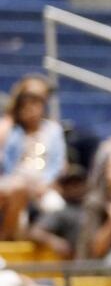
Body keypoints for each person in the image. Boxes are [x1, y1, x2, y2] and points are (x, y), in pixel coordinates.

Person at [1, 86, 67, 226]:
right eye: (25, 107)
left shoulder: (53, 131)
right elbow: (7, 164)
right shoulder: (14, 132)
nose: (30, 111)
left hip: (43, 185)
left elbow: (57, 163)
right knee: (14, 194)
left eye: (35, 106)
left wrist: (46, 184)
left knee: (56, 205)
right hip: (16, 182)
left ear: (43, 107)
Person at [27, 165, 89, 259]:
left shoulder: (95, 208)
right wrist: (54, 241)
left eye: (79, 183)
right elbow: (35, 232)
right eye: (70, 184)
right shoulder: (61, 212)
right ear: (63, 188)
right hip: (75, 263)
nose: (76, 188)